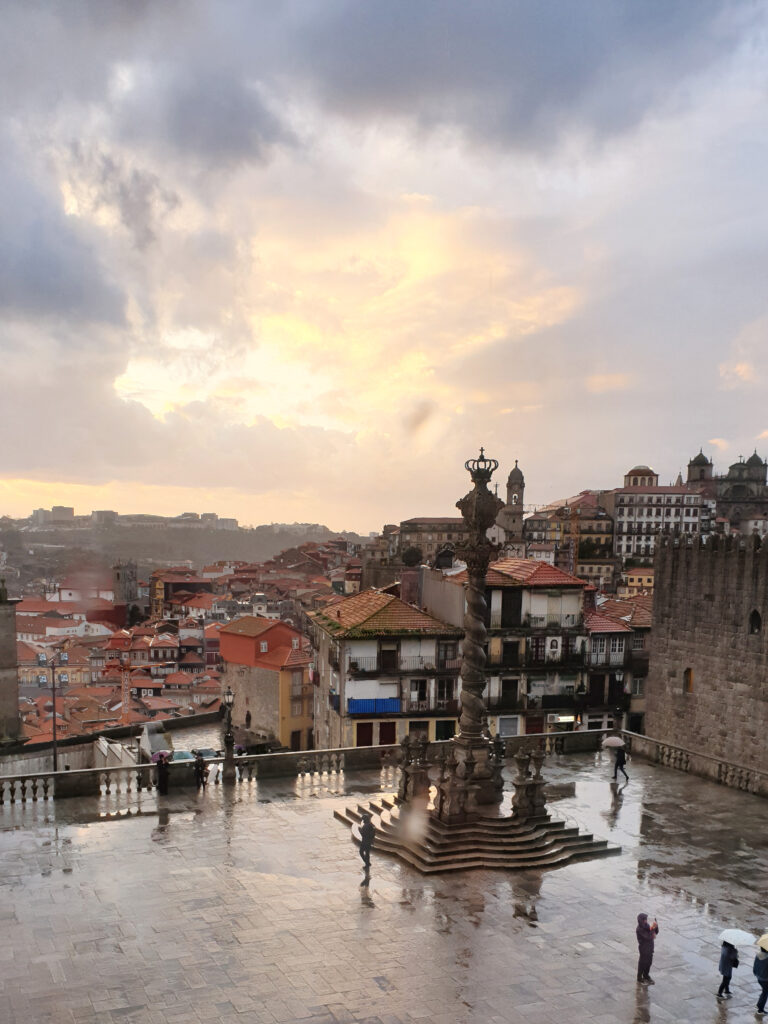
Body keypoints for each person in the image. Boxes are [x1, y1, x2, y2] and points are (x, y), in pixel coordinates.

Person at [636, 913, 658, 984]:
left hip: (650, 948)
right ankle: (639, 977)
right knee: (642, 963)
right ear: (641, 920)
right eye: (644, 920)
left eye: (646, 919)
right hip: (644, 949)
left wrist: (656, 927)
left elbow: (655, 932)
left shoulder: (646, 925)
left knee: (649, 963)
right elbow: (648, 937)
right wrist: (652, 930)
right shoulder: (639, 929)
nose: (646, 921)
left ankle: (646, 975)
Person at [359, 813, 375, 877]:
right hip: (368, 841)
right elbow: (373, 833)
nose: (362, 821)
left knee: (361, 852)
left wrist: (360, 831)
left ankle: (367, 863)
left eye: (363, 819)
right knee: (367, 853)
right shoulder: (369, 825)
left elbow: (364, 834)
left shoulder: (366, 826)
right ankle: (367, 863)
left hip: (365, 841)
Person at [754, 945, 768, 1015]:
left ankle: (758, 1005)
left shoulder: (758, 955)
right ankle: (760, 1010)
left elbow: (755, 966)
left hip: (759, 977)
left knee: (764, 992)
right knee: (765, 993)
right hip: (765, 979)